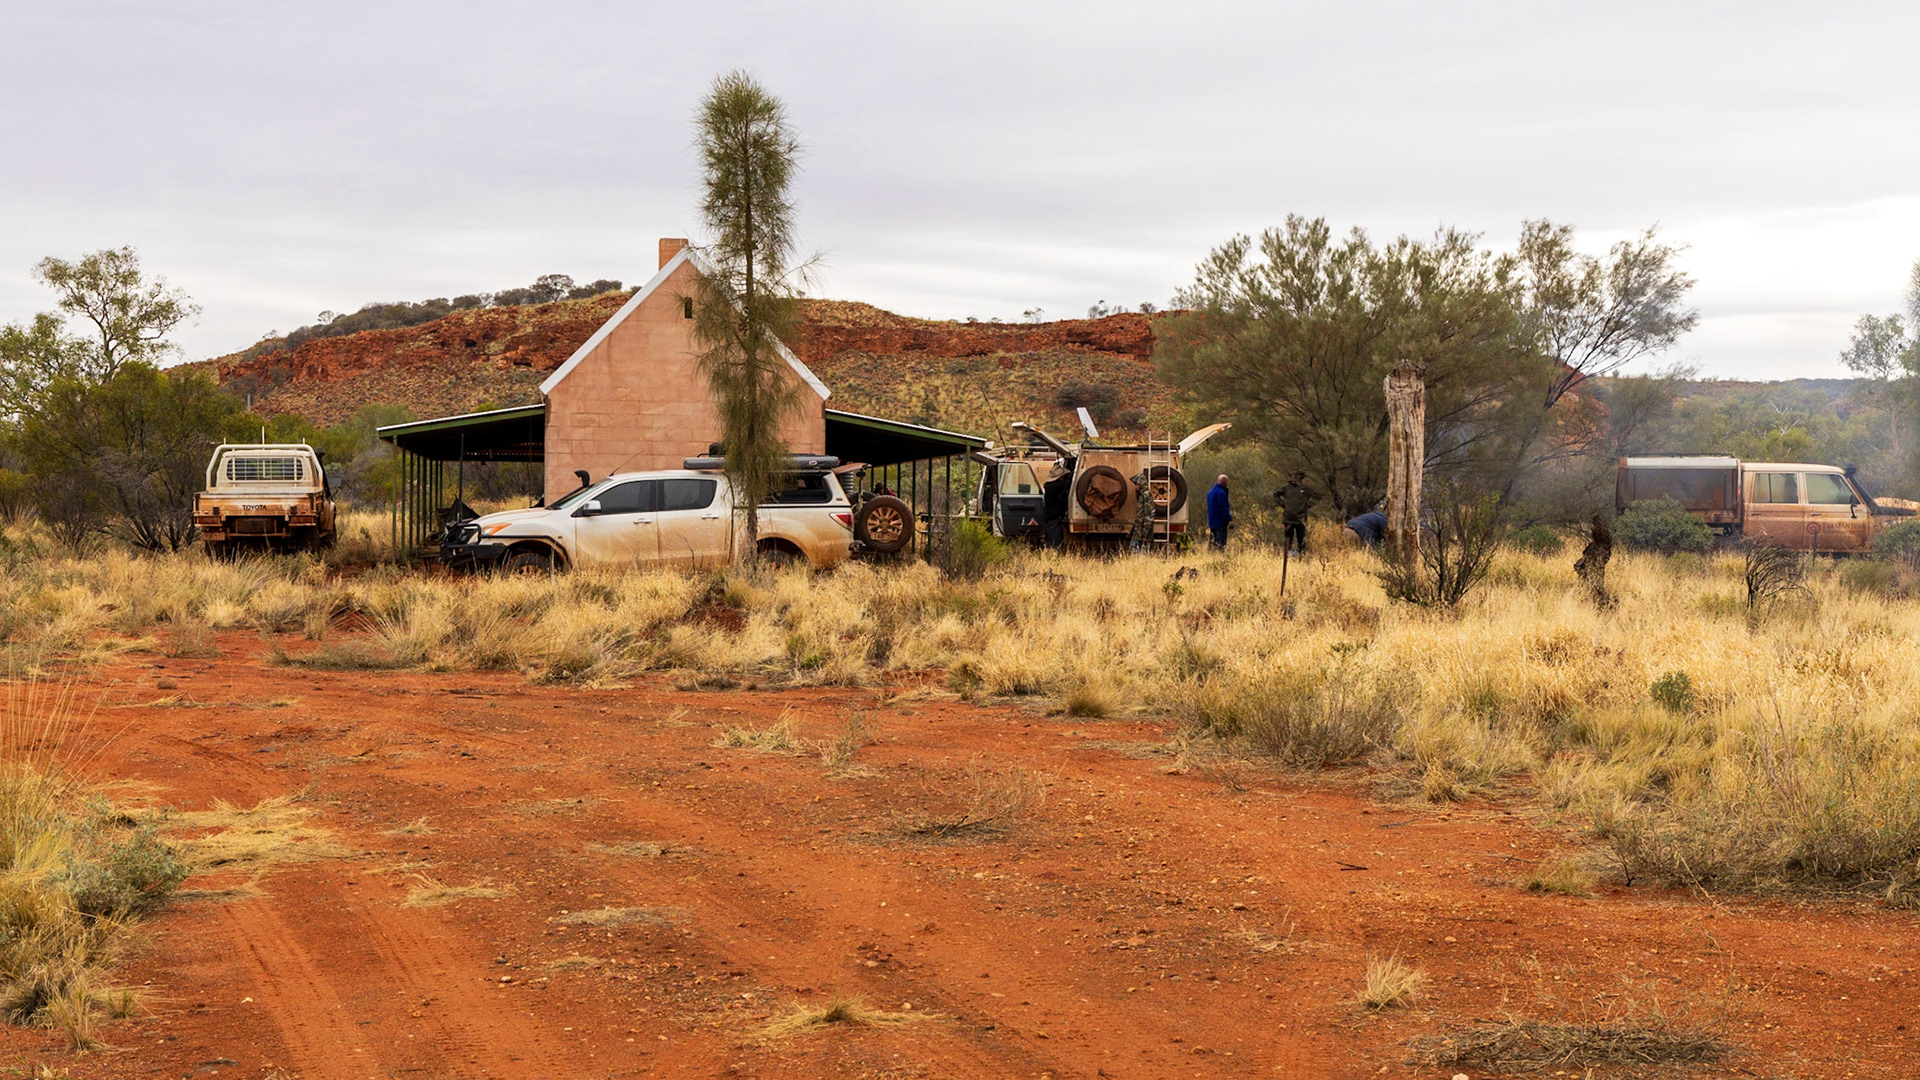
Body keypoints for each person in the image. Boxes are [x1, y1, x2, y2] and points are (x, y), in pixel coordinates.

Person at [1274, 470, 1318, 554]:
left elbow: (1317, 496)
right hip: (1288, 518)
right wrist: (1282, 504)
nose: (1294, 477)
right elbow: (1275, 494)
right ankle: (1287, 556)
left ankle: (1301, 555)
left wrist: (1307, 505)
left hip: (1300, 518)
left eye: (1297, 475)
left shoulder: (1305, 488)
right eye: (1293, 475)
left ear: (1301, 477)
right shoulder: (1286, 487)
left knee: (1301, 539)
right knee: (1288, 539)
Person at [1040, 459, 1073, 549]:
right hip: (1053, 519)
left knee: (1051, 542)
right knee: (1056, 543)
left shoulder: (1049, 486)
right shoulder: (1056, 486)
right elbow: (1069, 483)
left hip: (1049, 518)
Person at [1205, 473, 1232, 551]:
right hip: (1220, 522)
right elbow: (1223, 508)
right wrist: (1229, 519)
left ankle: (1211, 557)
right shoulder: (1221, 493)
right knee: (1220, 544)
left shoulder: (1210, 492)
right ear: (1225, 482)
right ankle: (1219, 558)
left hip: (1212, 522)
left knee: (1213, 542)